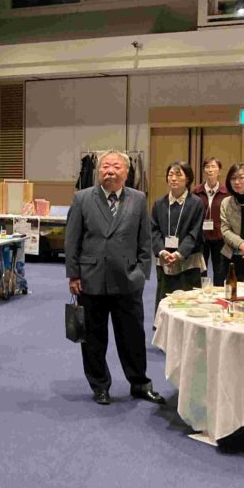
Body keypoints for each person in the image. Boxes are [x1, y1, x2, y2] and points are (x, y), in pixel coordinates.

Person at [65, 150, 164, 406]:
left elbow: (144, 240)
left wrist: (141, 273)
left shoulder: (138, 199)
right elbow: (72, 239)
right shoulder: (83, 198)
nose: (110, 171)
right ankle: (99, 385)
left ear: (127, 172)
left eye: (116, 166)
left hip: (127, 280)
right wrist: (73, 274)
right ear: (98, 171)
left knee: (132, 337)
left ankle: (140, 384)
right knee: (93, 339)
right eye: (105, 166)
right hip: (91, 279)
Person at [150, 161, 205, 309]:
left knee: (188, 304)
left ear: (188, 179)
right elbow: (154, 230)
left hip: (188, 261)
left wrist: (179, 253)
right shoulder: (159, 203)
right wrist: (161, 251)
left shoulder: (196, 203)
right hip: (164, 259)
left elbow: (195, 232)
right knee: (164, 303)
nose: (173, 178)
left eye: (178, 174)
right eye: (170, 175)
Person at [193, 157, 230, 287]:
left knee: (220, 272)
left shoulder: (226, 192)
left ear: (219, 170)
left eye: (213, 166)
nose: (210, 170)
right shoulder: (196, 191)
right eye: (207, 167)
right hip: (201, 237)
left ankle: (218, 296)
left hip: (220, 237)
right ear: (204, 170)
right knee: (200, 271)